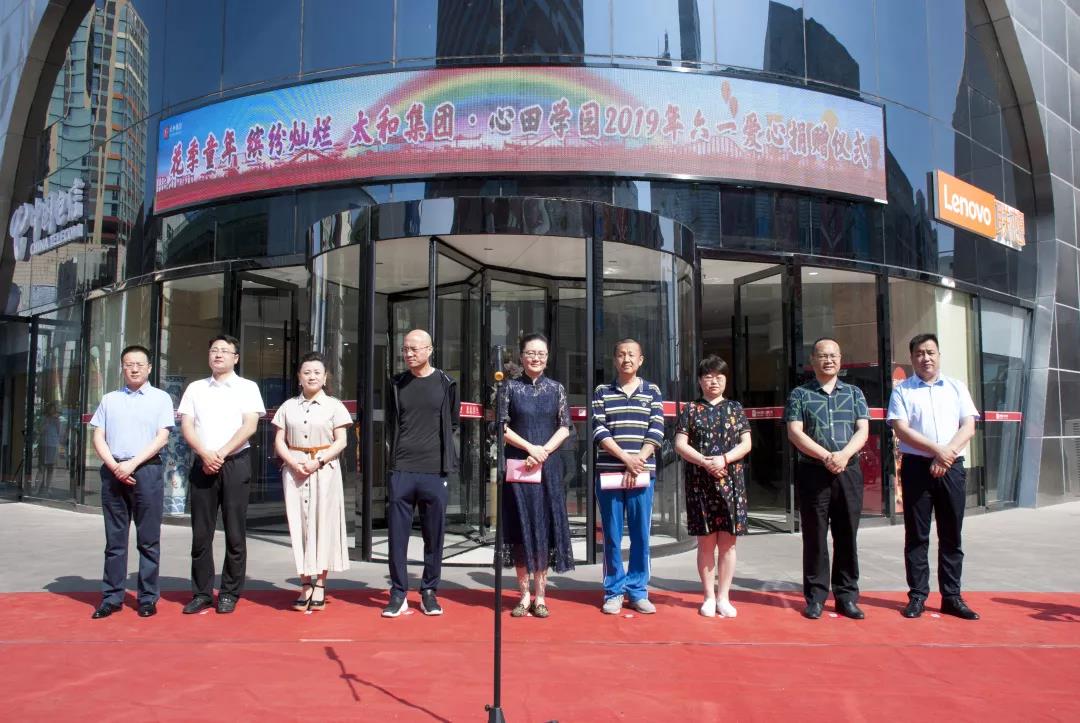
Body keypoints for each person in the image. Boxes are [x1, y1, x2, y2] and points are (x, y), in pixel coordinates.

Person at [887, 333, 980, 621]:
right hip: (916, 467)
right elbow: (901, 429)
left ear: (939, 355)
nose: (925, 358)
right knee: (917, 535)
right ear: (912, 358)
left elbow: (968, 426)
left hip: (951, 466)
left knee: (951, 534)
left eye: (930, 352)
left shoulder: (956, 387)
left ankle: (952, 597)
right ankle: (917, 596)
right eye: (919, 353)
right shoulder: (903, 391)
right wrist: (938, 451)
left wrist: (946, 455)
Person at [178, 334, 266, 615]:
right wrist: (205, 454)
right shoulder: (195, 388)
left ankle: (229, 592)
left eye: (225, 351)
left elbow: (250, 425)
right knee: (201, 533)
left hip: (235, 463)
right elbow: (187, 426)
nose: (218, 355)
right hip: (203, 463)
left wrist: (221, 453)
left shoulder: (247, 387)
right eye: (214, 350)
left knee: (235, 532)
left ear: (235, 358)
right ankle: (202, 593)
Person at [88, 345, 175, 619]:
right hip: (113, 471)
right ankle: (111, 597)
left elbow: (162, 438)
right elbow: (98, 436)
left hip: (146, 471)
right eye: (129, 364)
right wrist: (115, 466)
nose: (134, 369)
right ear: (122, 368)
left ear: (149, 368)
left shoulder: (161, 398)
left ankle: (147, 597)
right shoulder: (109, 399)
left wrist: (132, 464)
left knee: (148, 539)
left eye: (139, 364)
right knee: (115, 540)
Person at [785, 338, 869, 620]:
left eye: (833, 355)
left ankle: (847, 596)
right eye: (823, 356)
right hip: (813, 472)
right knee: (815, 536)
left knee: (847, 535)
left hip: (848, 471)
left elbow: (863, 430)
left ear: (840, 359)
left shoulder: (854, 393)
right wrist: (826, 456)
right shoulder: (800, 394)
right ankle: (816, 597)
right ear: (813, 360)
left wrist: (843, 456)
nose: (829, 360)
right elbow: (795, 432)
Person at [382, 329, 459, 618]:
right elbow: (391, 422)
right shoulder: (396, 384)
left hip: (435, 470)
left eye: (415, 349)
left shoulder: (446, 383)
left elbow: (453, 423)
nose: (409, 353)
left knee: (434, 535)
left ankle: (429, 591)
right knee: (397, 536)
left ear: (429, 350)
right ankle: (398, 593)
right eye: (405, 349)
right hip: (401, 469)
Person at [499, 333, 575, 618]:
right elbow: (501, 427)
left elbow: (564, 426)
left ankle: (541, 596)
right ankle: (523, 595)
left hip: (548, 468)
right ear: (521, 357)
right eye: (530, 353)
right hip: (519, 466)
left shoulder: (557, 389)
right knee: (521, 527)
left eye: (541, 354)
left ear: (547, 357)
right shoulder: (509, 387)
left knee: (543, 527)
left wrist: (543, 452)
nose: (535, 358)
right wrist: (530, 448)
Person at [271, 352, 352, 611]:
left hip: (324, 470)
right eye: (307, 372)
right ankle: (305, 583)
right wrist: (293, 463)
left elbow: (341, 441)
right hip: (294, 470)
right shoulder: (287, 407)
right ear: (299, 377)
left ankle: (320, 584)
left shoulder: (334, 406)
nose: (312, 376)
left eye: (317, 372)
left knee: (323, 524)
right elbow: (279, 441)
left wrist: (318, 461)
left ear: (325, 377)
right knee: (299, 525)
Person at [674, 355, 752, 618]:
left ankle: (724, 597)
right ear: (700, 381)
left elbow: (746, 443)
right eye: (708, 377)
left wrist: (724, 459)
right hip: (700, 483)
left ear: (725, 379)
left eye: (719, 376)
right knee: (706, 543)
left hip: (731, 482)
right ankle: (708, 596)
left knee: (728, 544)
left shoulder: (735, 408)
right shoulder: (691, 409)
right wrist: (705, 462)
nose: (714, 381)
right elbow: (680, 444)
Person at [592, 338, 665, 615]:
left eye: (632, 355)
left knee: (640, 534)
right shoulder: (602, 391)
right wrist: (626, 459)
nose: (627, 359)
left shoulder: (652, 391)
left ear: (641, 360)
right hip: (610, 472)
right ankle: (613, 591)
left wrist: (639, 460)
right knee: (611, 535)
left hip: (642, 474)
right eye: (621, 354)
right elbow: (599, 430)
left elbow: (657, 429)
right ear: (614, 360)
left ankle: (638, 591)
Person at [37, 401, 62, 494]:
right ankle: (37, 488)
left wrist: (56, 421)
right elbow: (40, 430)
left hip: (53, 445)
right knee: (42, 467)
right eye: (50, 409)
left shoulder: (57, 419)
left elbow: (59, 432)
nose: (52, 411)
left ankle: (48, 488)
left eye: (53, 409)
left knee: (51, 467)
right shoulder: (43, 418)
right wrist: (47, 422)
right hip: (44, 444)